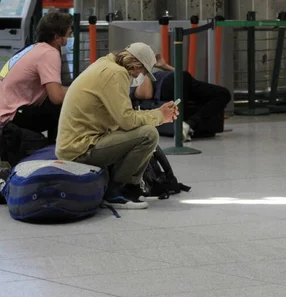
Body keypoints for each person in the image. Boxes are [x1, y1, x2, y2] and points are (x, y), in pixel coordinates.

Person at [56, 43, 179, 209]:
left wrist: (156, 114)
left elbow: (121, 119)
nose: (140, 75)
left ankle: (132, 187)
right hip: (81, 148)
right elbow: (127, 120)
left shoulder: (105, 65)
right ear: (136, 65)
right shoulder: (116, 73)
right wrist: (159, 116)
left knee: (141, 130)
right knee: (148, 134)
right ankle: (118, 192)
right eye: (142, 71)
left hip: (76, 144)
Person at [0, 11, 72, 143]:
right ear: (57, 37)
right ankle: (58, 151)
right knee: (66, 106)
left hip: (5, 110)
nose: (70, 38)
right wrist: (81, 91)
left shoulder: (32, 48)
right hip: (11, 116)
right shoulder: (49, 53)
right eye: (68, 35)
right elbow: (56, 97)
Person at [132, 54, 231, 139]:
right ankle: (188, 125)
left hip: (182, 78)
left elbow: (180, 75)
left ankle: (188, 125)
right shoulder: (129, 85)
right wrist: (144, 68)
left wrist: (164, 66)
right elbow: (147, 94)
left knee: (223, 93)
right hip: (168, 85)